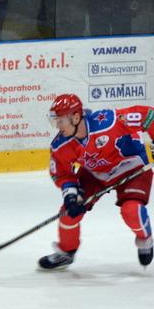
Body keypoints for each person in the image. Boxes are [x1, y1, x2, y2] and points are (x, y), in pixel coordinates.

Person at [39, 94, 154, 270]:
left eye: (61, 121)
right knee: (69, 214)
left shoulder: (109, 122)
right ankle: (66, 253)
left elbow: (148, 116)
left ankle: (145, 240)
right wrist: (70, 195)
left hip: (132, 166)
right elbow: (62, 174)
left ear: (76, 117)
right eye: (56, 121)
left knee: (132, 210)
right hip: (95, 174)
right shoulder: (61, 144)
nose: (58, 126)